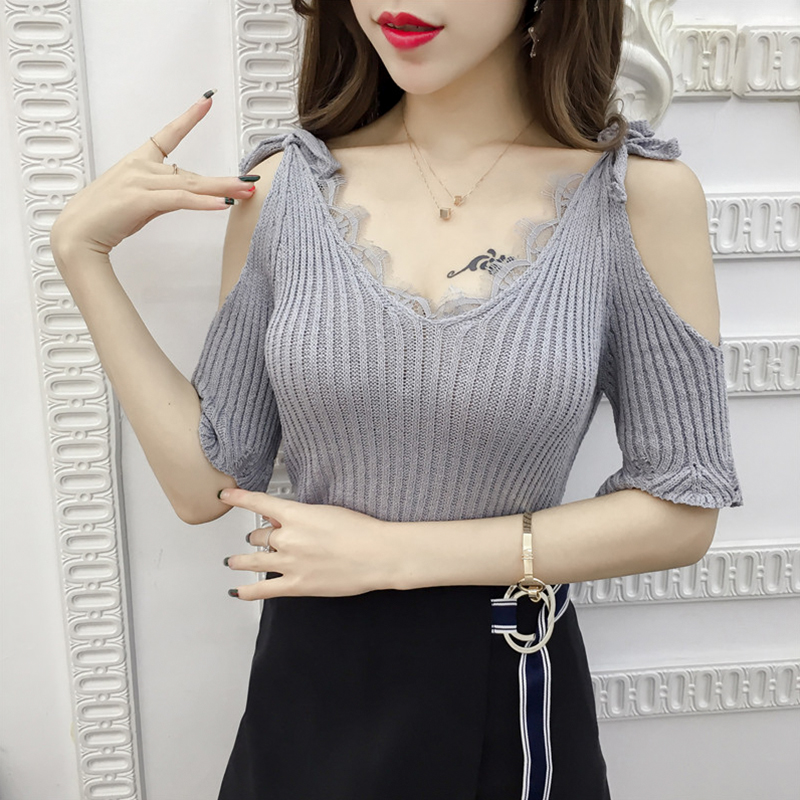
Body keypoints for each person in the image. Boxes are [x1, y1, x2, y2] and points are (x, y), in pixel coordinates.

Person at [50, 0, 744, 797]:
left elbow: (681, 507)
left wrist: (396, 556)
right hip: (305, 690)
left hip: (506, 681)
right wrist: (82, 255)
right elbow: (209, 484)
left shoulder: (634, 195)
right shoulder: (283, 187)